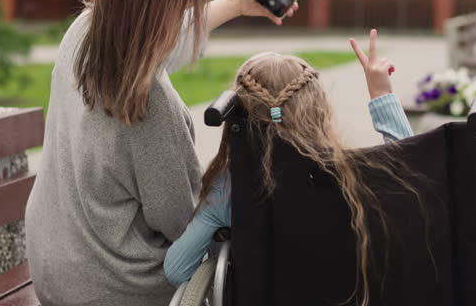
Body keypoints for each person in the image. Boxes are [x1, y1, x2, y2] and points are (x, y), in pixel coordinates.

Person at [24, 0, 296, 306]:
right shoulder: (151, 107)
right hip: (113, 288)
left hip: (56, 268)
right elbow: (185, 223)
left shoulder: (86, 32)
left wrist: (241, 4)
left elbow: (163, 36)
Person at [164, 29, 417, 306]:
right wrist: (382, 93)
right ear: (318, 109)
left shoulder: (230, 188)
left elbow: (177, 269)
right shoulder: (348, 176)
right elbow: (410, 178)